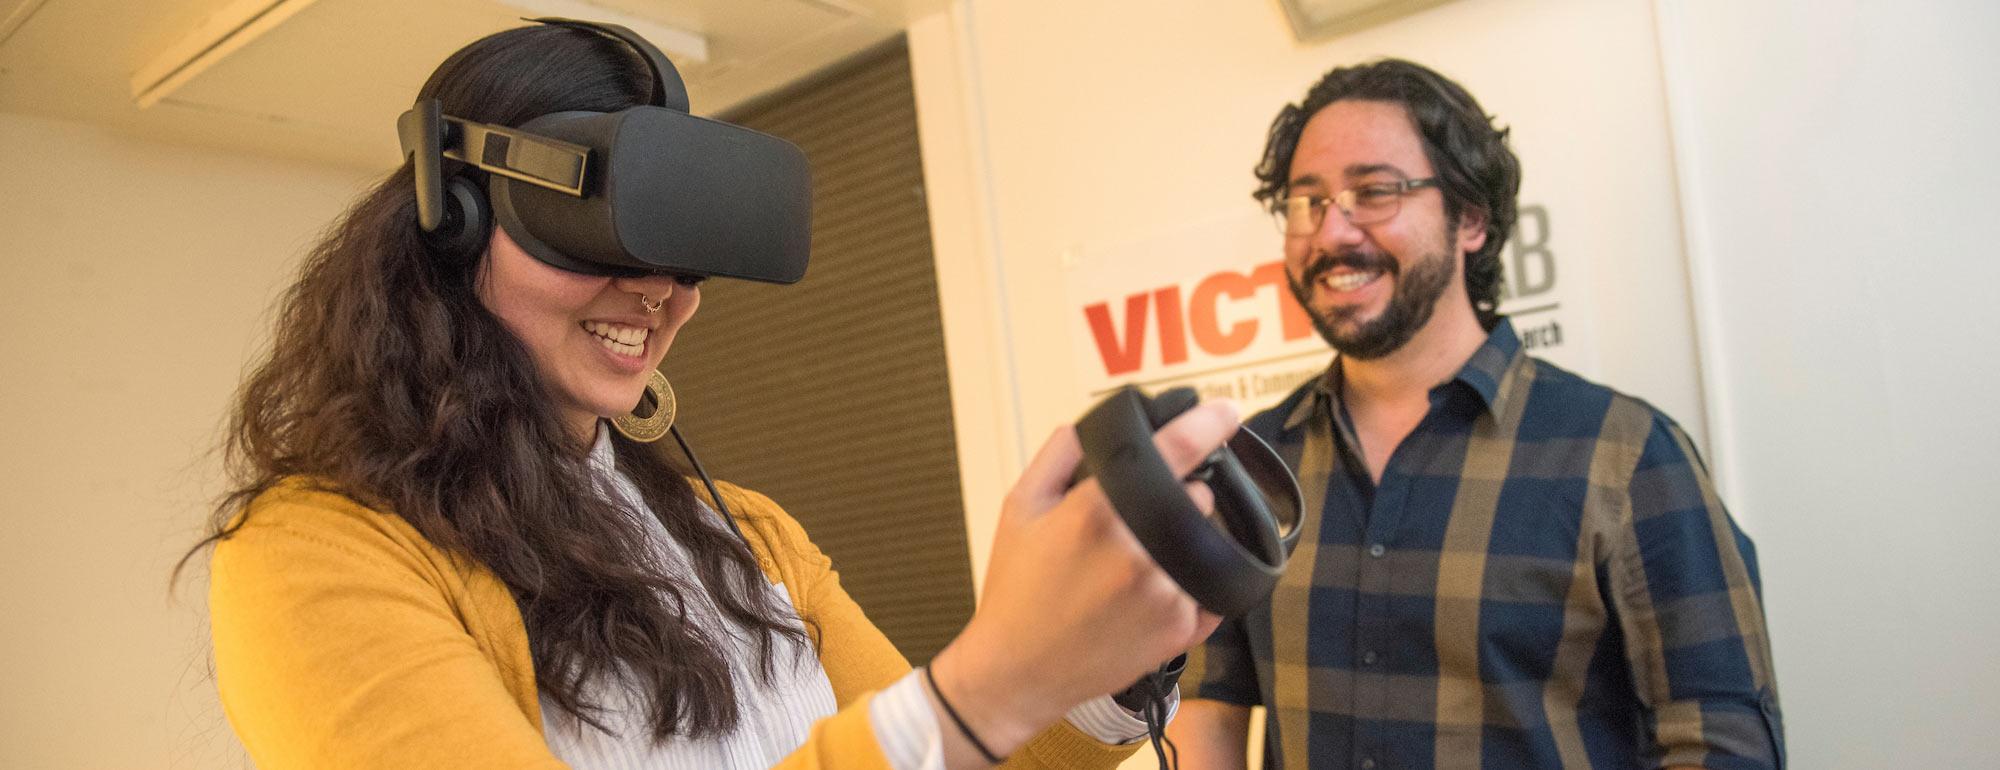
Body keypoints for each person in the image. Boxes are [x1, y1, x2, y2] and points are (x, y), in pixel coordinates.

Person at [193, 22, 1227, 769]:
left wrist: (1104, 663)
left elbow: (954, 754)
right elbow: (941, 726)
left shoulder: (743, 536)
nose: (656, 291)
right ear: (455, 218)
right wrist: (984, 683)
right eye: (599, 233)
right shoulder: (315, 559)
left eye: (686, 251)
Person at [1164, 60, 1783, 769]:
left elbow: (1720, 742)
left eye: (1374, 192)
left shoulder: (1627, 456)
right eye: (1307, 202)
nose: (1333, 231)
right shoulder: (1252, 463)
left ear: (1471, 221)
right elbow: (1208, 707)